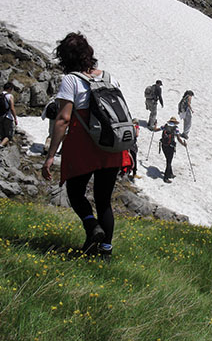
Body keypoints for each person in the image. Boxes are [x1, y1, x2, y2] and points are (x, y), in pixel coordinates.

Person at [41, 32, 126, 259]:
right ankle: (104, 253)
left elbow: (63, 119)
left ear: (66, 58)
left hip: (84, 146)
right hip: (111, 147)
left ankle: (91, 226)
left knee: (76, 193)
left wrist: (50, 155)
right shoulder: (110, 78)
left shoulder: (71, 80)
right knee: (104, 200)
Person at [156, 116, 187, 183]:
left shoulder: (165, 126)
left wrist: (155, 125)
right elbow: (178, 138)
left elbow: (156, 129)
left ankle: (170, 173)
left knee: (168, 159)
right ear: (175, 122)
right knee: (169, 161)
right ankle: (166, 177)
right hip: (171, 146)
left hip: (164, 145)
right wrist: (183, 144)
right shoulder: (176, 128)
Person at [0, 82, 18, 148]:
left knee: (2, 134)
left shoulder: (0, 95)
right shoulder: (9, 96)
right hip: (8, 117)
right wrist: (15, 118)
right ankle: (1, 145)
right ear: (10, 89)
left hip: (0, 116)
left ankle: (3, 147)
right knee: (9, 135)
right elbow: (12, 108)